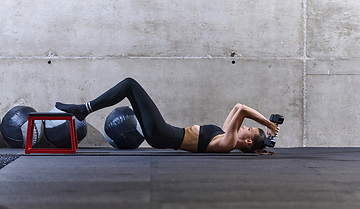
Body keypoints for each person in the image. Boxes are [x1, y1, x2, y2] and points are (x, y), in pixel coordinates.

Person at [56, 78, 280, 153]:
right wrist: (267, 126)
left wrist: (267, 123)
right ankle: (83, 109)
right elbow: (238, 106)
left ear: (247, 141)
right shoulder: (225, 135)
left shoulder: (229, 143)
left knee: (129, 84)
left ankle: (83, 109)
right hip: (163, 133)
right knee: (129, 87)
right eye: (247, 126)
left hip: (163, 135)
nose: (243, 126)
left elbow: (242, 111)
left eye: (247, 129)